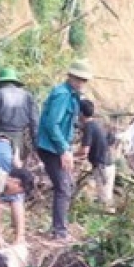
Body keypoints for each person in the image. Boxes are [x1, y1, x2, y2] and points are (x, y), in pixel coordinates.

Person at [37, 59, 92, 240]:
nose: (81, 83)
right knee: (63, 187)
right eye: (78, 79)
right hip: (51, 147)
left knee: (67, 185)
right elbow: (52, 124)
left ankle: (60, 228)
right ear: (70, 76)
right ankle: (59, 232)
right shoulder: (62, 95)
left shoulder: (73, 96)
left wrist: (66, 148)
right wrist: (63, 150)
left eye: (84, 80)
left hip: (57, 147)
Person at [0, 67, 40, 165]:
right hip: (20, 139)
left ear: (0, 83)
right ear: (15, 82)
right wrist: (36, 147)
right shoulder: (27, 96)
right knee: (17, 166)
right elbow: (35, 123)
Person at [77, 99, 115, 213]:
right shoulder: (97, 124)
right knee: (104, 196)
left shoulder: (89, 127)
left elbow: (84, 151)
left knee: (105, 201)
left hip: (102, 166)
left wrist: (70, 154)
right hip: (107, 163)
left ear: (80, 113)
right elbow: (111, 139)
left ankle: (104, 219)